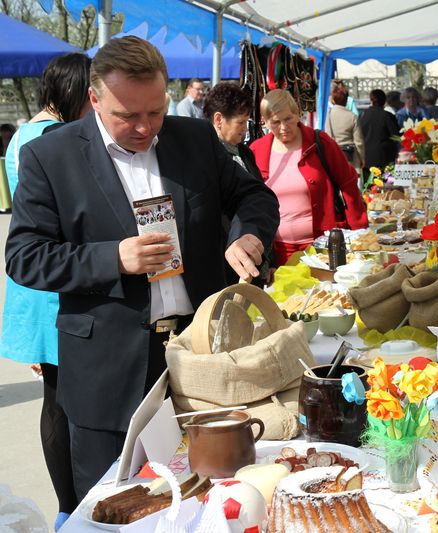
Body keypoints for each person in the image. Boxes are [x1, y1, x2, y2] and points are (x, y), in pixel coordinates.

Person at [4, 36, 279, 503]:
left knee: (211, 496)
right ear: (94, 99)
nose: (144, 127)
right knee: (115, 503)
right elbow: (24, 255)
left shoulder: (192, 139)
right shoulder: (51, 157)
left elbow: (254, 196)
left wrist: (246, 234)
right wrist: (113, 258)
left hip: (199, 357)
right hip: (107, 369)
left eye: (154, 111)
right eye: (127, 115)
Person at [1, 52, 91, 531]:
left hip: (32, 284)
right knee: (72, 399)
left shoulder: (20, 135)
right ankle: (77, 501)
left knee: (52, 399)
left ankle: (63, 506)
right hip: (61, 282)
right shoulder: (61, 137)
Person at [250, 89, 367, 265]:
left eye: (288, 119)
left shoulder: (320, 142)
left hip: (323, 247)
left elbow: (348, 183)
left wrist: (360, 231)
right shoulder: (257, 150)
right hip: (277, 250)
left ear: (298, 114)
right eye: (275, 122)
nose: (283, 127)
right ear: (265, 122)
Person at [202, 81, 260, 178]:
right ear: (218, 119)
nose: (245, 129)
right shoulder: (204, 157)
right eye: (240, 122)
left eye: (246, 122)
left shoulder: (246, 153)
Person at [326, 80, 365, 171]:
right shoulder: (353, 116)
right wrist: (361, 158)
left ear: (333, 100)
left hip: (335, 157)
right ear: (347, 100)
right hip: (351, 158)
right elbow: (359, 142)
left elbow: (328, 136)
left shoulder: (328, 115)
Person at [358, 89, 400, 171]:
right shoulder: (388, 116)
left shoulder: (362, 115)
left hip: (366, 158)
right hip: (383, 158)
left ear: (371, 100)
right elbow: (396, 137)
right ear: (384, 101)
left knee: (368, 183)